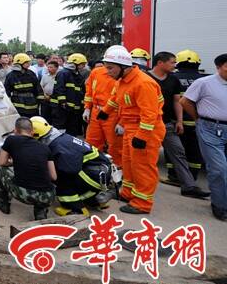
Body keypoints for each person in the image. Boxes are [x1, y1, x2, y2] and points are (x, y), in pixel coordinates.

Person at [99, 45, 166, 214]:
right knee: (129, 164)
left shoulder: (143, 83)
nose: (107, 72)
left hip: (146, 130)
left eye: (110, 68)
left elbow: (150, 114)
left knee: (143, 167)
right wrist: (105, 112)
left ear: (123, 66)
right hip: (130, 127)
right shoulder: (123, 81)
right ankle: (127, 193)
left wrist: (142, 136)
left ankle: (142, 203)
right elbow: (116, 99)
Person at [147, 51, 209, 199]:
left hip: (166, 124)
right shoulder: (145, 77)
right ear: (160, 63)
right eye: (172, 62)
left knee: (179, 152)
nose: (175, 65)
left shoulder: (173, 80)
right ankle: (138, 186)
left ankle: (188, 186)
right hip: (145, 124)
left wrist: (180, 121)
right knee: (144, 156)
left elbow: (177, 101)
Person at [31, 116, 111, 216]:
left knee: (60, 178)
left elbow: (70, 170)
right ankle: (93, 200)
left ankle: (76, 209)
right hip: (99, 170)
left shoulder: (59, 148)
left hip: (94, 175)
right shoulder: (58, 138)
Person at [180, 53, 227, 221]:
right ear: (219, 67)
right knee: (219, 168)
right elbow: (185, 101)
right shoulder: (204, 83)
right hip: (210, 128)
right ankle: (220, 206)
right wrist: (198, 119)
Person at [0, 117, 56, 220]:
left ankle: (3, 202)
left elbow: (2, 162)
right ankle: (41, 210)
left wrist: (14, 163)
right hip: (48, 196)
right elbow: (53, 176)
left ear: (15, 130)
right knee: (42, 182)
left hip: (23, 194)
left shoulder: (11, 139)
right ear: (32, 132)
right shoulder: (45, 147)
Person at [174, 49, 207, 181]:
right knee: (195, 151)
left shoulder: (173, 78)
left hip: (178, 121)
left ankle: (175, 175)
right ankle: (193, 176)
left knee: (176, 151)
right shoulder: (204, 80)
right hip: (198, 122)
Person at [82, 60, 122, 166]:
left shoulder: (121, 76)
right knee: (91, 142)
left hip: (113, 113)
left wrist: (122, 122)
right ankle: (92, 167)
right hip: (96, 112)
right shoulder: (96, 72)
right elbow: (89, 91)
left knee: (115, 145)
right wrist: (87, 108)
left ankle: (117, 171)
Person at [50, 53, 87, 136]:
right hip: (61, 107)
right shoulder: (63, 73)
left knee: (72, 129)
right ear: (75, 64)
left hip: (73, 109)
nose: (84, 67)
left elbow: (81, 91)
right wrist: (63, 102)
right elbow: (59, 88)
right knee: (60, 128)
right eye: (82, 64)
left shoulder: (78, 76)